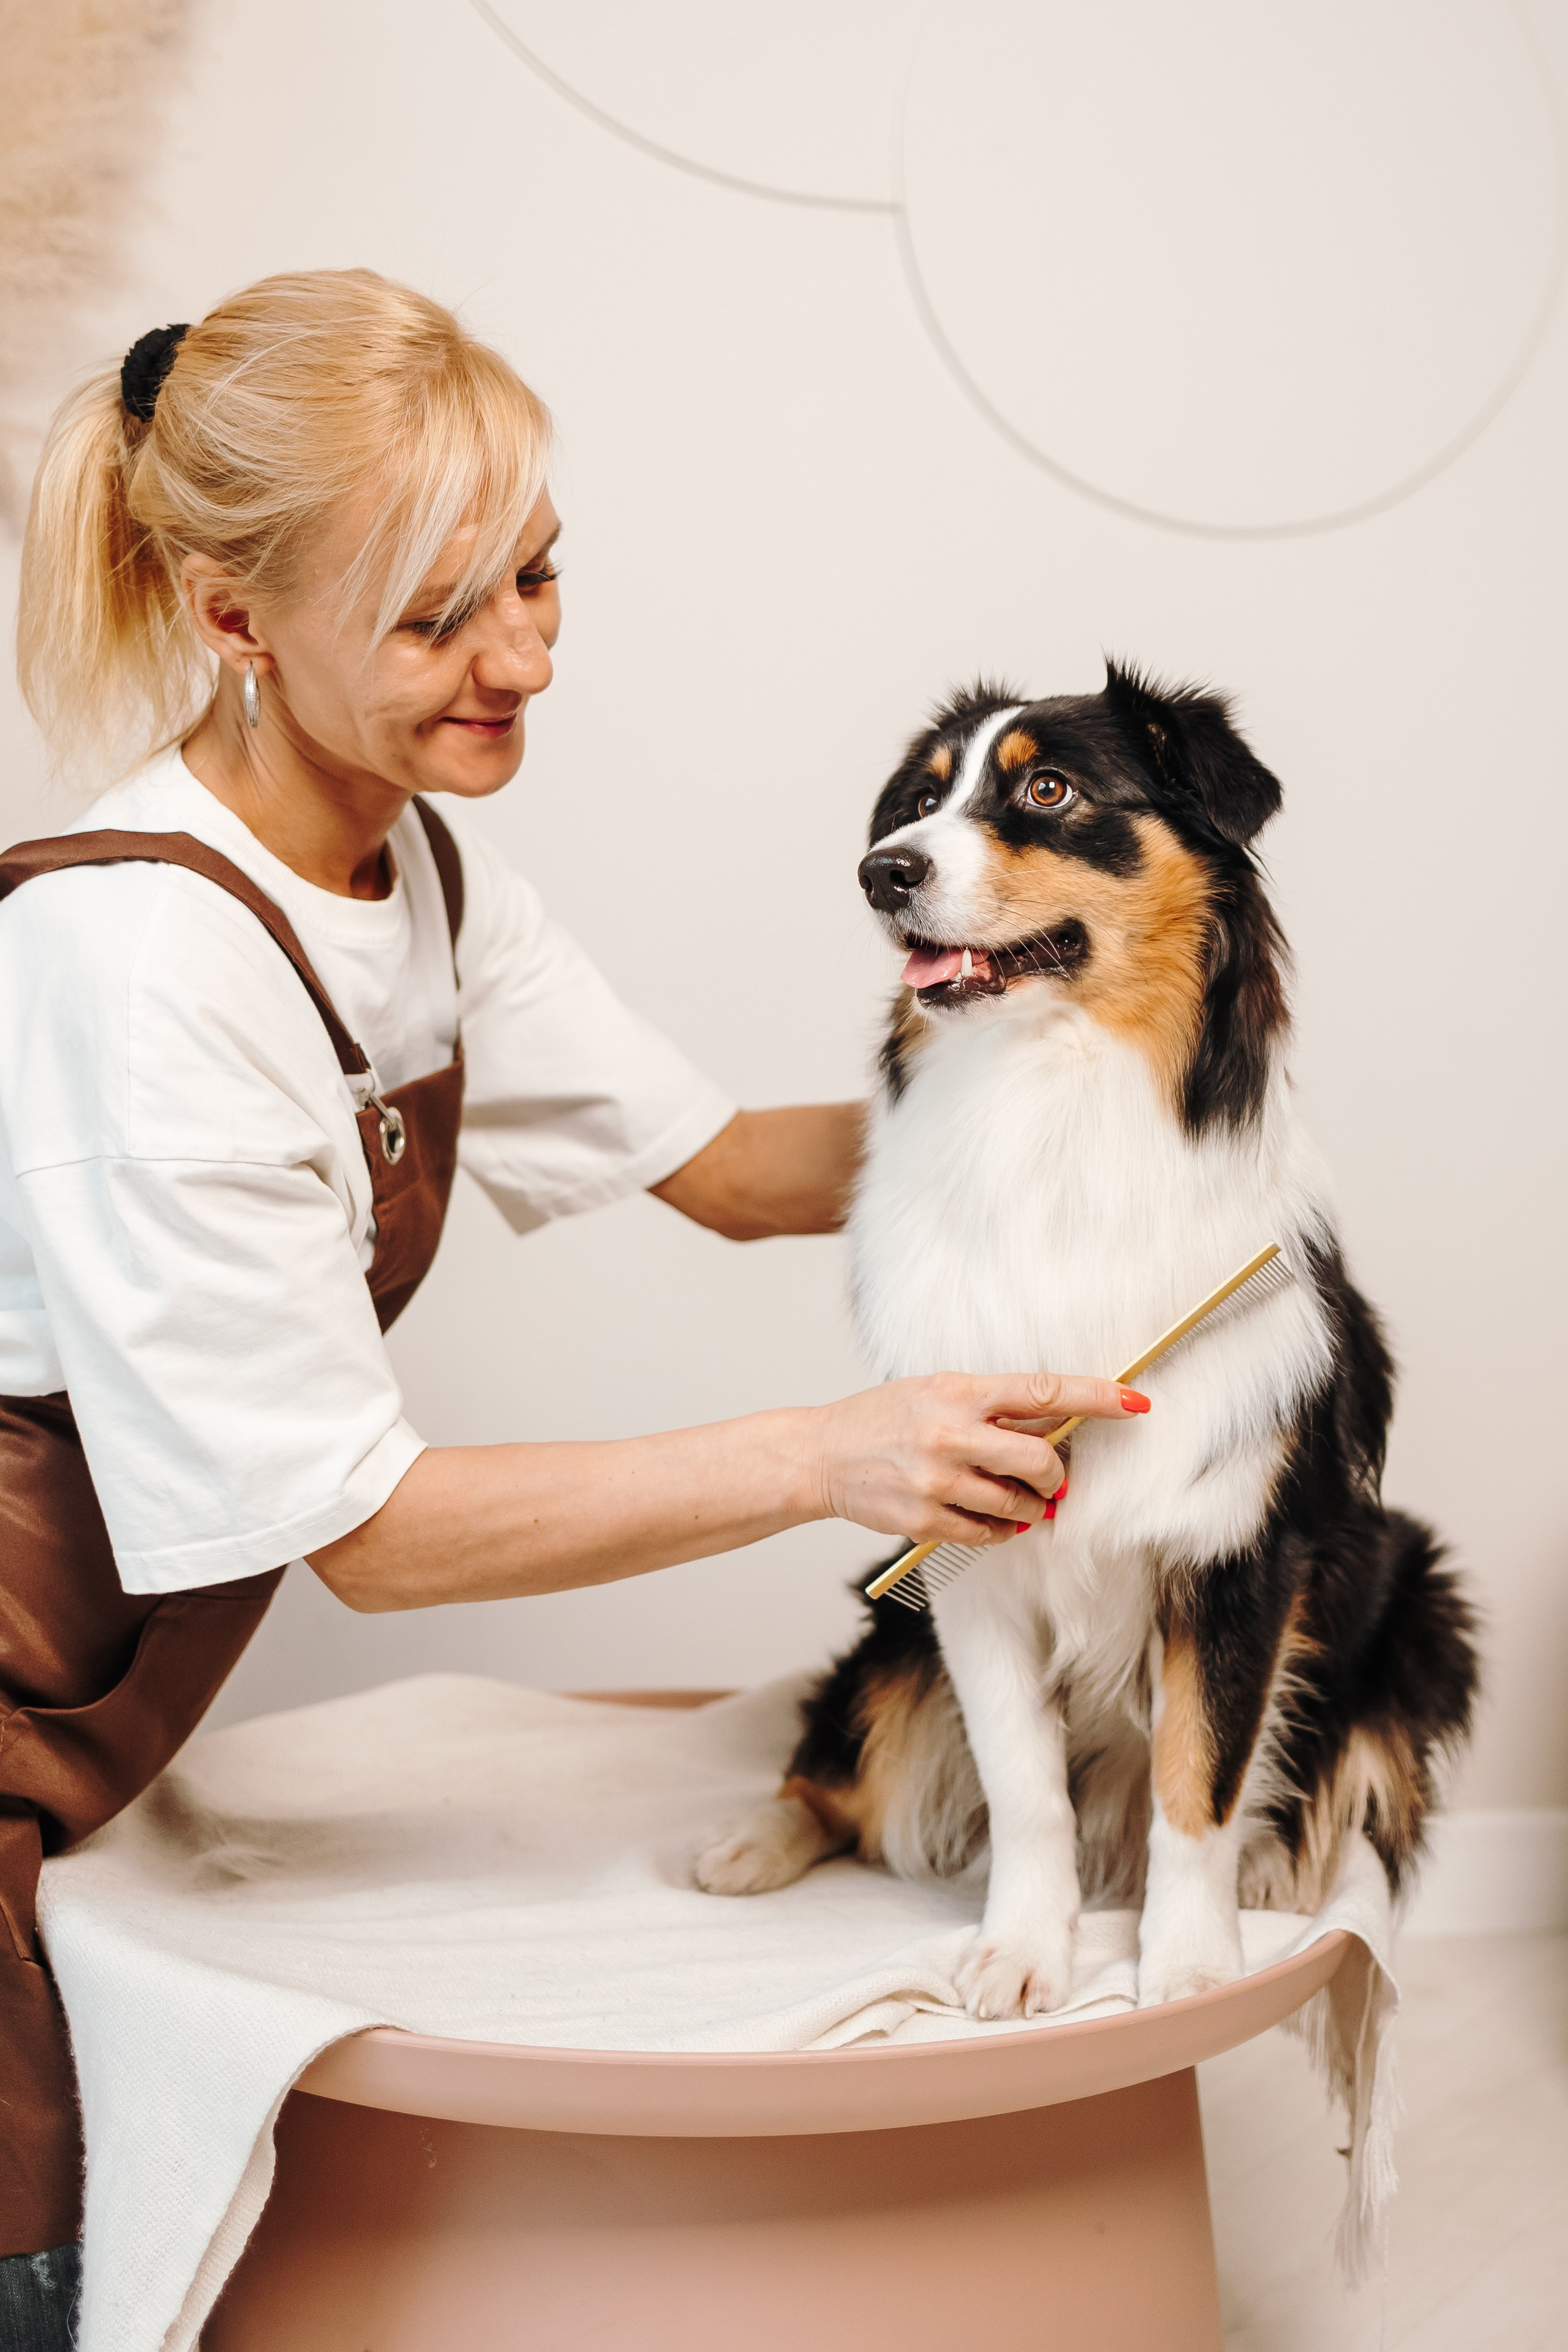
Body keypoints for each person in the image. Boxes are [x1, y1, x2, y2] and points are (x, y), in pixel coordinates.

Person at [0, 268, 1140, 2345]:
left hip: (97, 1702)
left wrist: (1103, 1078)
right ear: (236, 619)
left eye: (539, 575)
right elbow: (363, 1530)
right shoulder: (139, 965)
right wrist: (827, 1457)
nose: (522, 654)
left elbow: (721, 1171)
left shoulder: (413, 872)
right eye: (442, 615)